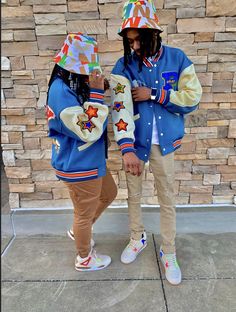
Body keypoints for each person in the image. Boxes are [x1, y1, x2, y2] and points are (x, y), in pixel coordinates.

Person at [110, 0, 202, 285]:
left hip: (165, 145)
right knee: (134, 195)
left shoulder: (178, 59)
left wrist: (155, 94)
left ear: (153, 34)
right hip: (135, 145)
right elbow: (120, 107)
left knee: (167, 199)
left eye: (138, 40)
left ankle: (169, 250)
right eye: (130, 41)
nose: (134, 47)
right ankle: (136, 238)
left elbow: (192, 98)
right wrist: (126, 149)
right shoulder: (123, 65)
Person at [46, 33, 117, 272]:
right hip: (79, 165)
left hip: (89, 160)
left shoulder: (69, 84)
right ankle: (84, 258)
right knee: (83, 213)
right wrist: (96, 93)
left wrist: (94, 87)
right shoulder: (60, 92)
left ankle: (79, 231)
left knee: (109, 193)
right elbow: (88, 130)